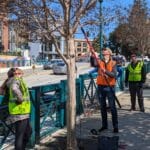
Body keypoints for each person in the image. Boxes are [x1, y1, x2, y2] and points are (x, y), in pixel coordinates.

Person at [90, 48, 118, 133]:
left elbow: (113, 74)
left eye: (106, 54)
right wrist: (92, 56)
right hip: (101, 87)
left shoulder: (113, 63)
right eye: (103, 54)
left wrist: (105, 71)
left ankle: (115, 126)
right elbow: (93, 64)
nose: (104, 55)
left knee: (112, 107)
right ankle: (104, 125)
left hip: (110, 87)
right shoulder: (100, 62)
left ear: (109, 54)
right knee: (102, 107)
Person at [4, 68, 32, 150]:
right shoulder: (15, 80)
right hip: (19, 112)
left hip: (23, 111)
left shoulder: (14, 80)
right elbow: (14, 88)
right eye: (18, 73)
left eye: (20, 73)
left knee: (28, 132)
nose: (20, 74)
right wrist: (20, 98)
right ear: (14, 75)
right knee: (20, 136)